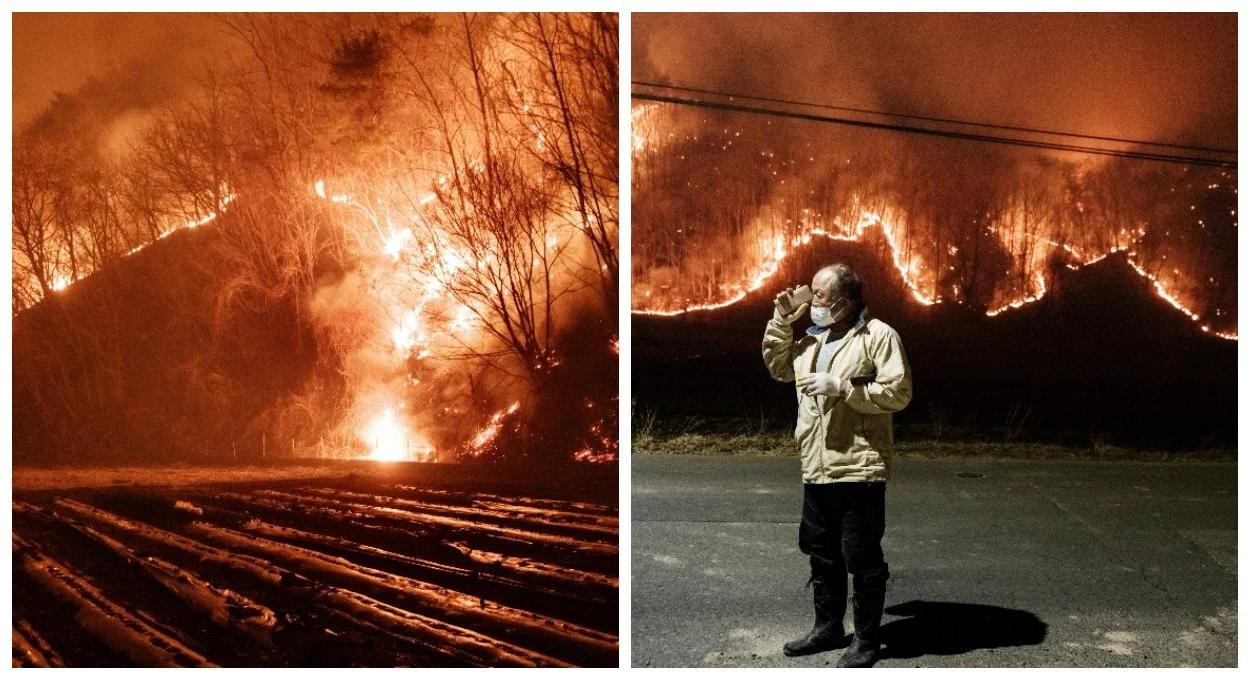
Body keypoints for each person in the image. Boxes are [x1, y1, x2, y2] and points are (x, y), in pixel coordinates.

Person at [761, 262, 913, 668]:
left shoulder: (877, 336)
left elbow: (898, 392)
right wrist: (780, 319)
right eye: (812, 293)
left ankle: (866, 639)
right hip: (817, 464)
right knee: (821, 552)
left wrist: (845, 388)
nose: (813, 301)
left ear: (845, 300)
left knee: (860, 555)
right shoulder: (812, 341)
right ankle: (826, 628)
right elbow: (778, 367)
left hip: (858, 466)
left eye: (820, 294)